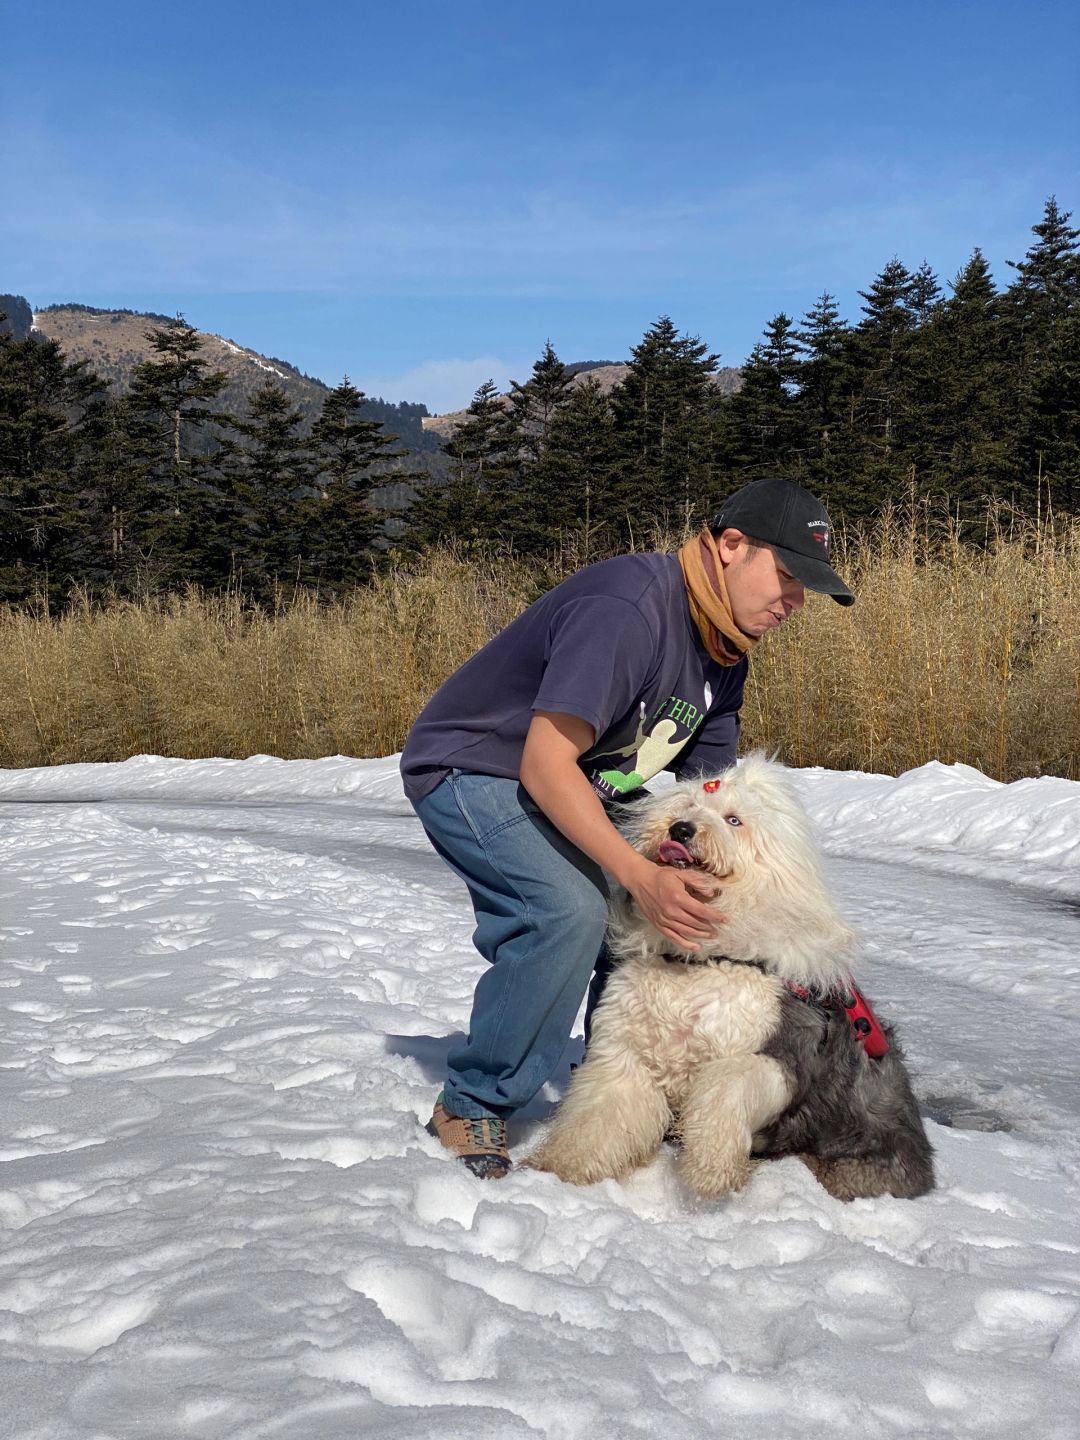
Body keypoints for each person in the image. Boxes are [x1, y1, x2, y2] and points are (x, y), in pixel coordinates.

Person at [400, 477, 855, 1178]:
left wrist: (753, 898)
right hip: (474, 766)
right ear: (731, 545)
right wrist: (640, 875)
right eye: (788, 576)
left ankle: (618, 1086)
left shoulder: (724, 651)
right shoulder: (628, 610)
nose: (794, 601)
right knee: (568, 913)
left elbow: (708, 792)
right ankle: (473, 1101)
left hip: (575, 779)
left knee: (655, 900)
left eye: (806, 589)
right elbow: (544, 764)